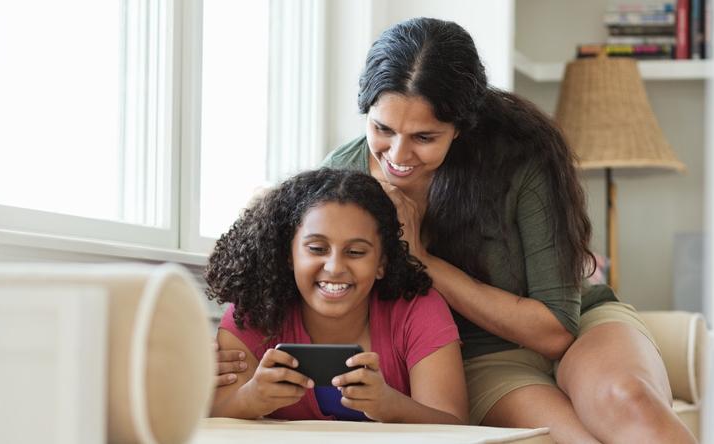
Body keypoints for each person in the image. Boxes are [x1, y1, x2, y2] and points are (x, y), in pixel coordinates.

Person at [215, 18, 696, 443]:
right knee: (566, 436)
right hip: (480, 357)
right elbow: (304, 272)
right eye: (382, 129)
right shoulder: (346, 176)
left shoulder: (520, 156)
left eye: (424, 137)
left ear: (461, 127)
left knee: (626, 398)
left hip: (578, 326)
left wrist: (421, 257)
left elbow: (556, 331)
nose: (399, 155)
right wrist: (232, 361)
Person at [205, 168, 468, 424]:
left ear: (382, 262)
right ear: (289, 254)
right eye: (317, 248)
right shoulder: (254, 312)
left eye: (355, 252)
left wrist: (391, 405)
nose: (334, 267)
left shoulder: (419, 310)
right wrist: (251, 399)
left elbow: (454, 424)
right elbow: (213, 415)